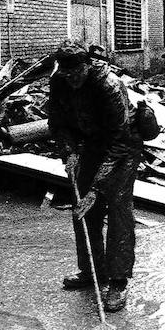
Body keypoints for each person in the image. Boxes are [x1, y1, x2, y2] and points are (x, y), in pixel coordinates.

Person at [47, 40, 142, 312]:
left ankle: (118, 280)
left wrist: (96, 187)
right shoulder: (59, 81)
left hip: (122, 147)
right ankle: (91, 270)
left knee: (118, 210)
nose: (73, 80)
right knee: (83, 209)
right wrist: (69, 152)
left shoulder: (109, 85)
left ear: (87, 66)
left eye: (77, 74)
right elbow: (57, 123)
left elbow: (119, 139)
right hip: (89, 145)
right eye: (67, 75)